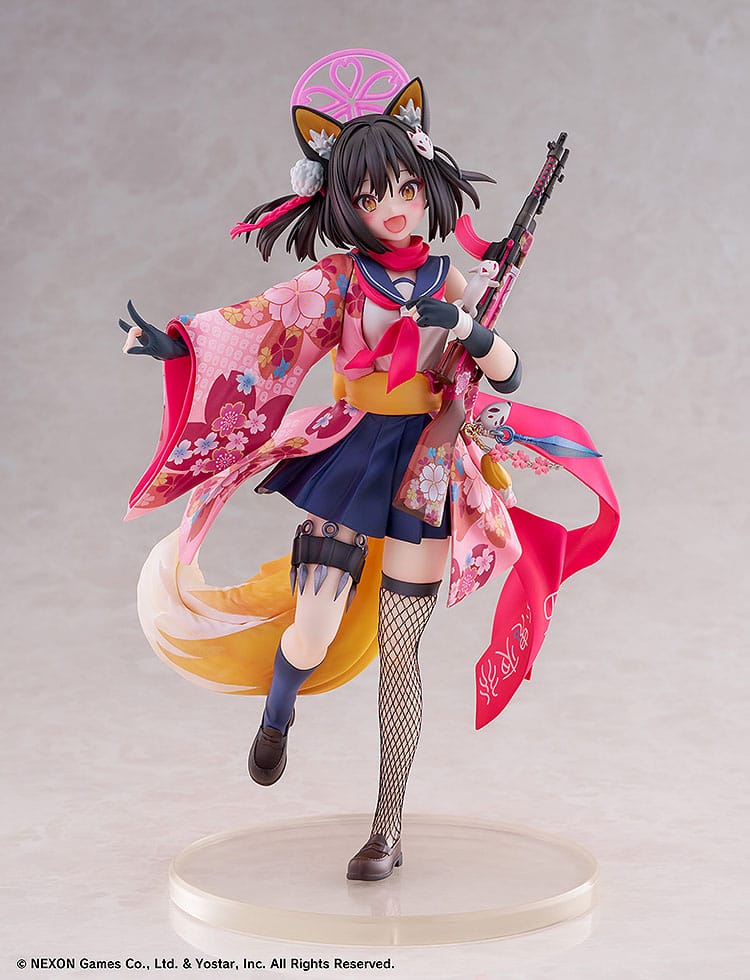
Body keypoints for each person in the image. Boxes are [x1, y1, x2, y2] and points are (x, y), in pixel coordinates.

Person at [120, 52, 618, 882]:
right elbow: (262, 323)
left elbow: (509, 373)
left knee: (401, 653)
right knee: (312, 630)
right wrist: (179, 344)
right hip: (352, 454)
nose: (392, 207)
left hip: (427, 466)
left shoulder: (451, 279)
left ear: (428, 185)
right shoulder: (340, 280)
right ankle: (279, 711)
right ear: (342, 202)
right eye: (370, 194)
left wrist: (468, 327)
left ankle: (388, 827)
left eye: (405, 188)